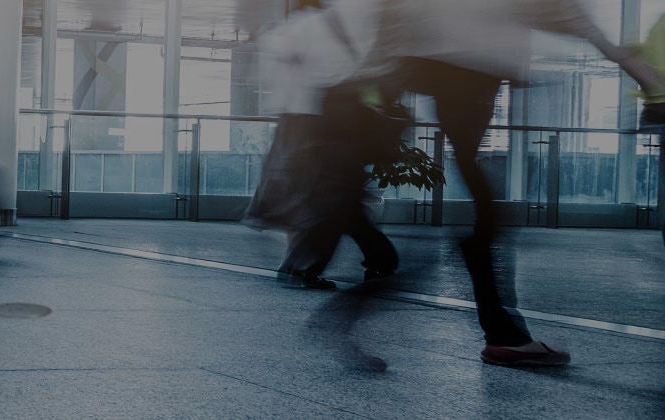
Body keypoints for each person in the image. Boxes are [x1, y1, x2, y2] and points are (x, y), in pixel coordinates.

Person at [354, 0, 665, 366]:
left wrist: (376, 77)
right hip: (474, 75)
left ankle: (500, 327)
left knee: (483, 204)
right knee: (486, 213)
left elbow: (397, 14)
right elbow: (562, 11)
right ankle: (501, 331)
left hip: (437, 72)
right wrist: (634, 69)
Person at [245, 0, 395, 291]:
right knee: (340, 197)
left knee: (336, 196)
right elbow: (358, 71)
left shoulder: (288, 31)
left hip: (305, 121)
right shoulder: (333, 23)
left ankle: (308, 266)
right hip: (328, 120)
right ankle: (372, 259)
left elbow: (270, 78)